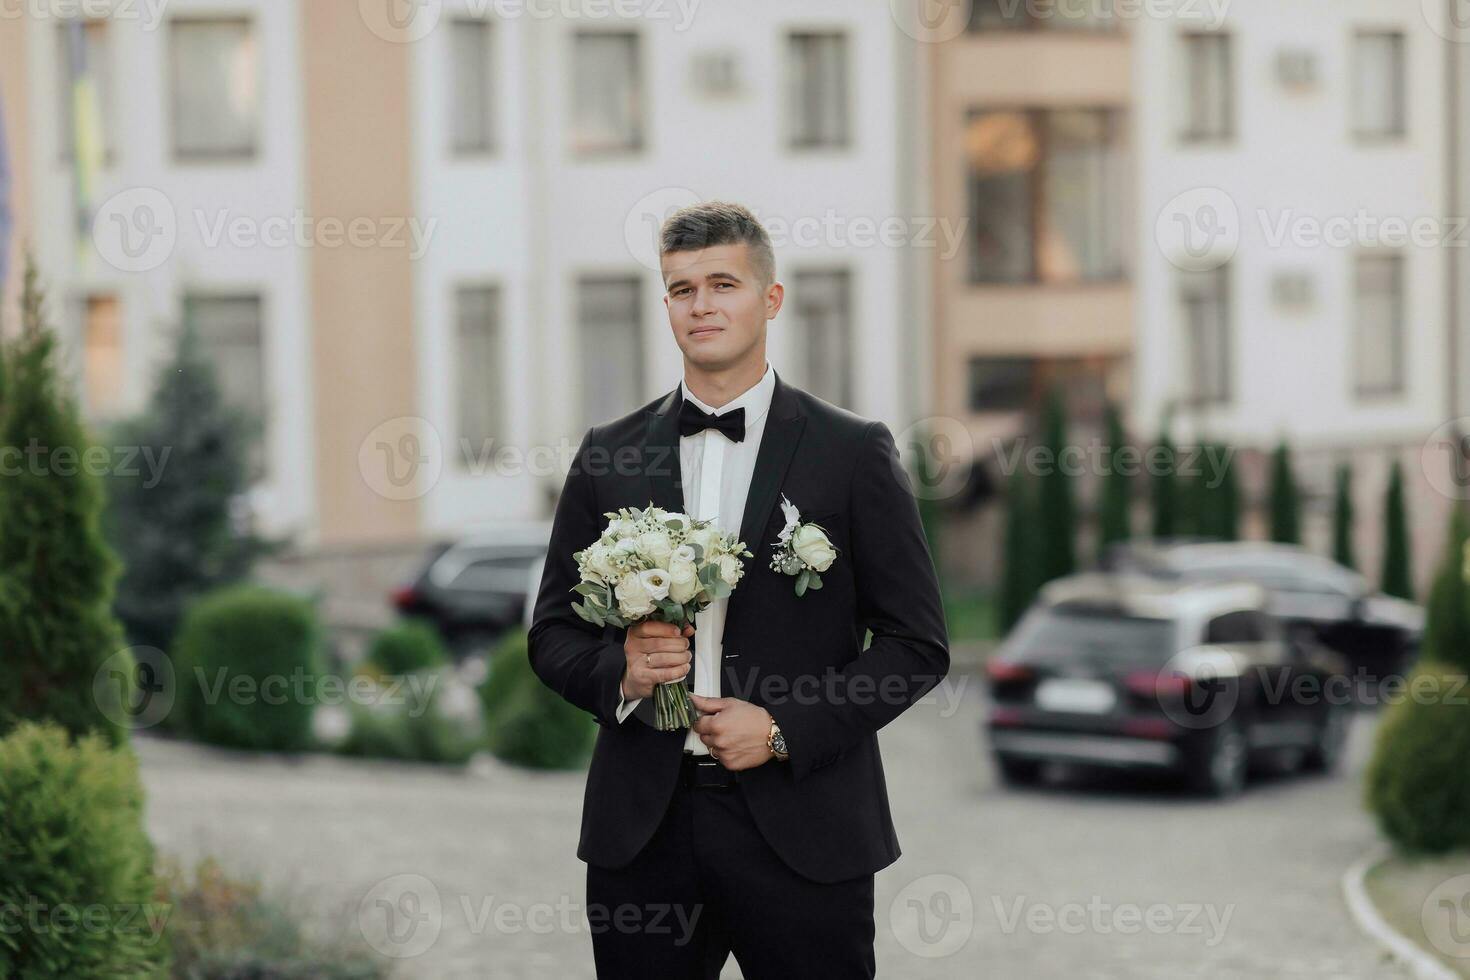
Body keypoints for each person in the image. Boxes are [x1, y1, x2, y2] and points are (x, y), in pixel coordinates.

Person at [528, 200, 949, 978]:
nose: (702, 305)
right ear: (666, 306)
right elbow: (551, 634)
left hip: (806, 830)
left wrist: (785, 727)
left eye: (723, 283)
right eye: (682, 289)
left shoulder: (852, 452)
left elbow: (916, 647)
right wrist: (619, 672)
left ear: (771, 299)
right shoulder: (607, 455)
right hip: (644, 834)